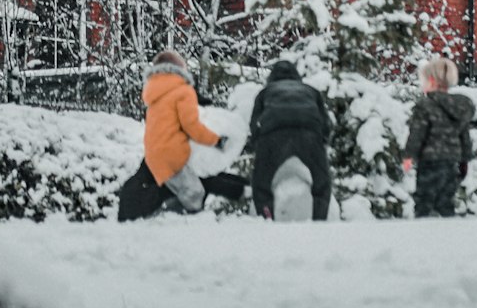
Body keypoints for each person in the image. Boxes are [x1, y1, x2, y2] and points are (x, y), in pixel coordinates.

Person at [118, 48, 239, 221]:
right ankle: (172, 221)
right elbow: (192, 126)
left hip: (153, 155)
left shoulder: (155, 93)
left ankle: (168, 217)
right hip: (172, 156)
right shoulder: (183, 91)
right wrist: (216, 140)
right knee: (195, 193)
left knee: (182, 190)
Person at [248, 57, 332, 221]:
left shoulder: (266, 92)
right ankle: (320, 221)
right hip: (308, 133)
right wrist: (322, 141)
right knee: (322, 183)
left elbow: (255, 123)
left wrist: (257, 145)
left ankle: (266, 218)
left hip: (273, 134)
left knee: (261, 185)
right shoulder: (310, 90)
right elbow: (325, 122)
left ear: (271, 77)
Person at [402, 55, 475, 218]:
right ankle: (446, 236)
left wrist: (409, 156)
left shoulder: (425, 105)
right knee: (445, 202)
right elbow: (465, 136)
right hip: (452, 162)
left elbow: (417, 133)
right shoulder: (459, 108)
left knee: (424, 202)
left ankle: (423, 236)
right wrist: (465, 160)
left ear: (432, 81)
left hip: (430, 161)